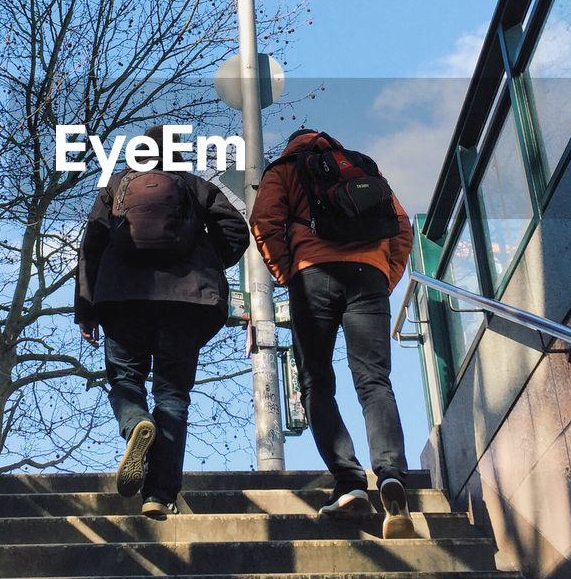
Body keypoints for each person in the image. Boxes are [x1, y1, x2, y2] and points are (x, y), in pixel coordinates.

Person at [75, 126, 250, 518]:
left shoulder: (116, 186)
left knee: (125, 379)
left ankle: (136, 421)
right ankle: (159, 495)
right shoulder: (193, 185)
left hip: (123, 299)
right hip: (187, 303)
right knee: (172, 394)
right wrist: (206, 261)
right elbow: (237, 230)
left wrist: (86, 310)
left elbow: (92, 246)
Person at [250, 128, 416, 538]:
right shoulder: (361, 164)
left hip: (314, 276)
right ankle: (391, 473)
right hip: (370, 278)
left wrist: (289, 273)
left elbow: (263, 222)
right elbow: (401, 227)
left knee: (316, 383)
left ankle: (348, 481)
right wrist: (384, 277)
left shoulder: (285, 169)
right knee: (375, 381)